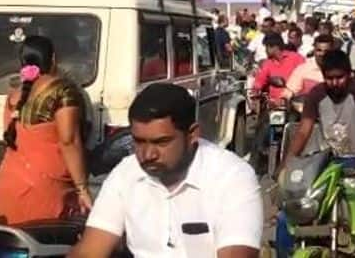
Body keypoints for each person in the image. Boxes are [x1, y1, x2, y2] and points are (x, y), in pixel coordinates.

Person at [69, 84, 262, 258]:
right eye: (139, 141)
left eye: (161, 142)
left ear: (192, 134)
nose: (147, 154)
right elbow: (90, 250)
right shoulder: (125, 173)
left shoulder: (233, 177)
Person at [278, 50, 355, 256]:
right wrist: (288, 162)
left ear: (349, 74)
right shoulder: (317, 95)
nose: (335, 82)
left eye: (340, 77)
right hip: (327, 160)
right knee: (291, 212)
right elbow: (303, 131)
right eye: (330, 78)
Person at [0, 36, 92, 225]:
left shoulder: (14, 95)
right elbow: (69, 141)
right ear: (53, 59)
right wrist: (82, 189)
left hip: (8, 181)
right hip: (45, 186)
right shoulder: (62, 91)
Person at [252, 33, 305, 102]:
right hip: (275, 105)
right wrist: (255, 91)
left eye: (267, 47)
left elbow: (306, 76)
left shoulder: (296, 58)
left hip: (295, 103)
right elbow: (259, 82)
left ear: (275, 47)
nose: (265, 50)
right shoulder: (267, 63)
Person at [284, 34, 335, 104]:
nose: (322, 54)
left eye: (326, 51)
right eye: (319, 50)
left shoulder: (340, 70)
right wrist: (285, 99)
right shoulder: (303, 69)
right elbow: (289, 92)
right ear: (314, 51)